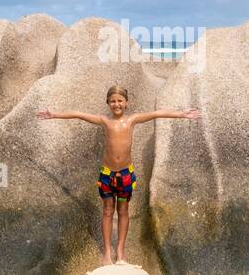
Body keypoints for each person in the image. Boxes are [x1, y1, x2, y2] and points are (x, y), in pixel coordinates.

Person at [36, 85, 200, 265]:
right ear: (108, 103)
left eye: (120, 100)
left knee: (123, 211)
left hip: (126, 176)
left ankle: (120, 251)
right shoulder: (104, 121)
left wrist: (181, 114)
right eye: (113, 101)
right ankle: (107, 251)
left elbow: (157, 113)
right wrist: (55, 115)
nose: (117, 104)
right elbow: (78, 114)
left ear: (126, 103)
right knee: (107, 211)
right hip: (107, 176)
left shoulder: (132, 120)